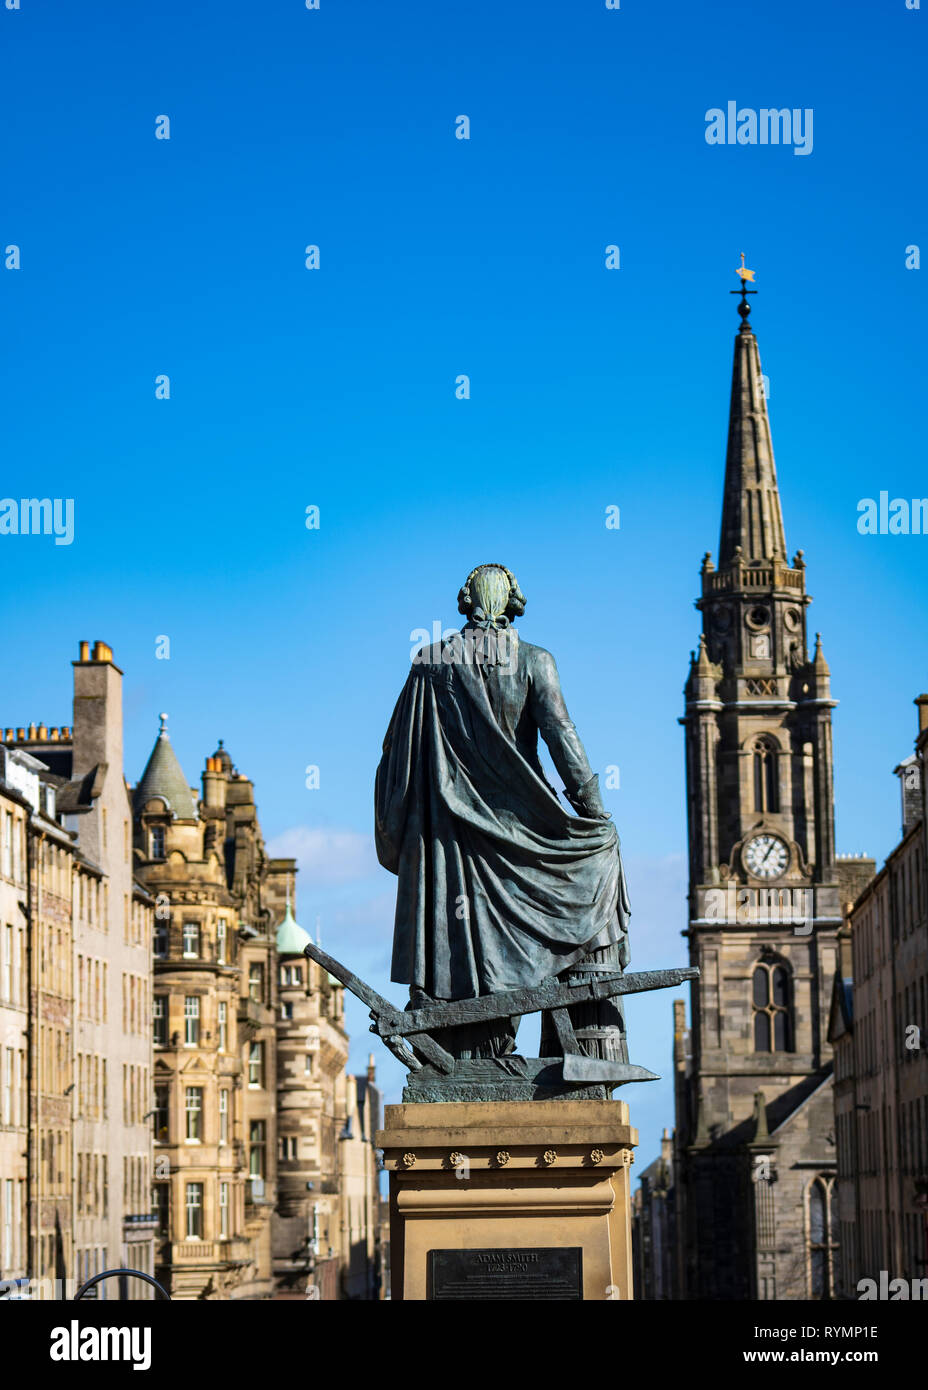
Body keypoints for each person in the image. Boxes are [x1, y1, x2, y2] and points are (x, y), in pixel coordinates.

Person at [375, 563, 630, 1060]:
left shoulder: (430, 662)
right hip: (521, 829)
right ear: (513, 603)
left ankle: (472, 1042)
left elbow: (396, 759)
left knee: (459, 924)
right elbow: (563, 738)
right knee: (602, 852)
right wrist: (595, 812)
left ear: (466, 602)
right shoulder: (536, 660)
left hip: (450, 836)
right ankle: (579, 1041)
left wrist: (407, 820)